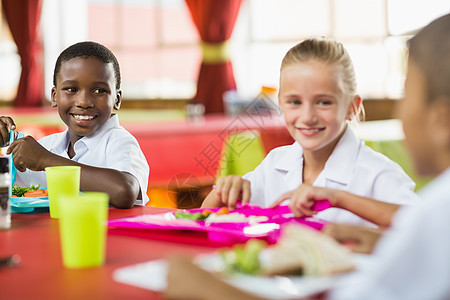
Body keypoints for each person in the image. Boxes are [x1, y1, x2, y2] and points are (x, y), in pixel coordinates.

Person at [202, 37, 420, 227]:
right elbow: (203, 218)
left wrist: (337, 198)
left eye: (324, 102)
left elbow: (424, 227)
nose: (307, 116)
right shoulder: (275, 165)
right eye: (294, 102)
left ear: (351, 107)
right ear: (280, 104)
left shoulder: (377, 174)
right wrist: (222, 192)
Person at [326, 13, 450, 300]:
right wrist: (389, 244)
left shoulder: (439, 213)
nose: (399, 114)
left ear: (443, 121)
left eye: (406, 96)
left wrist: (203, 284)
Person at [0, 41, 149, 208]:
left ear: (117, 99)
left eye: (99, 91)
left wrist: (46, 160)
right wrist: (4, 148)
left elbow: (125, 191)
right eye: (71, 89)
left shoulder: (119, 142)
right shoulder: (47, 146)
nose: (84, 102)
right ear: (55, 96)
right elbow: (7, 188)